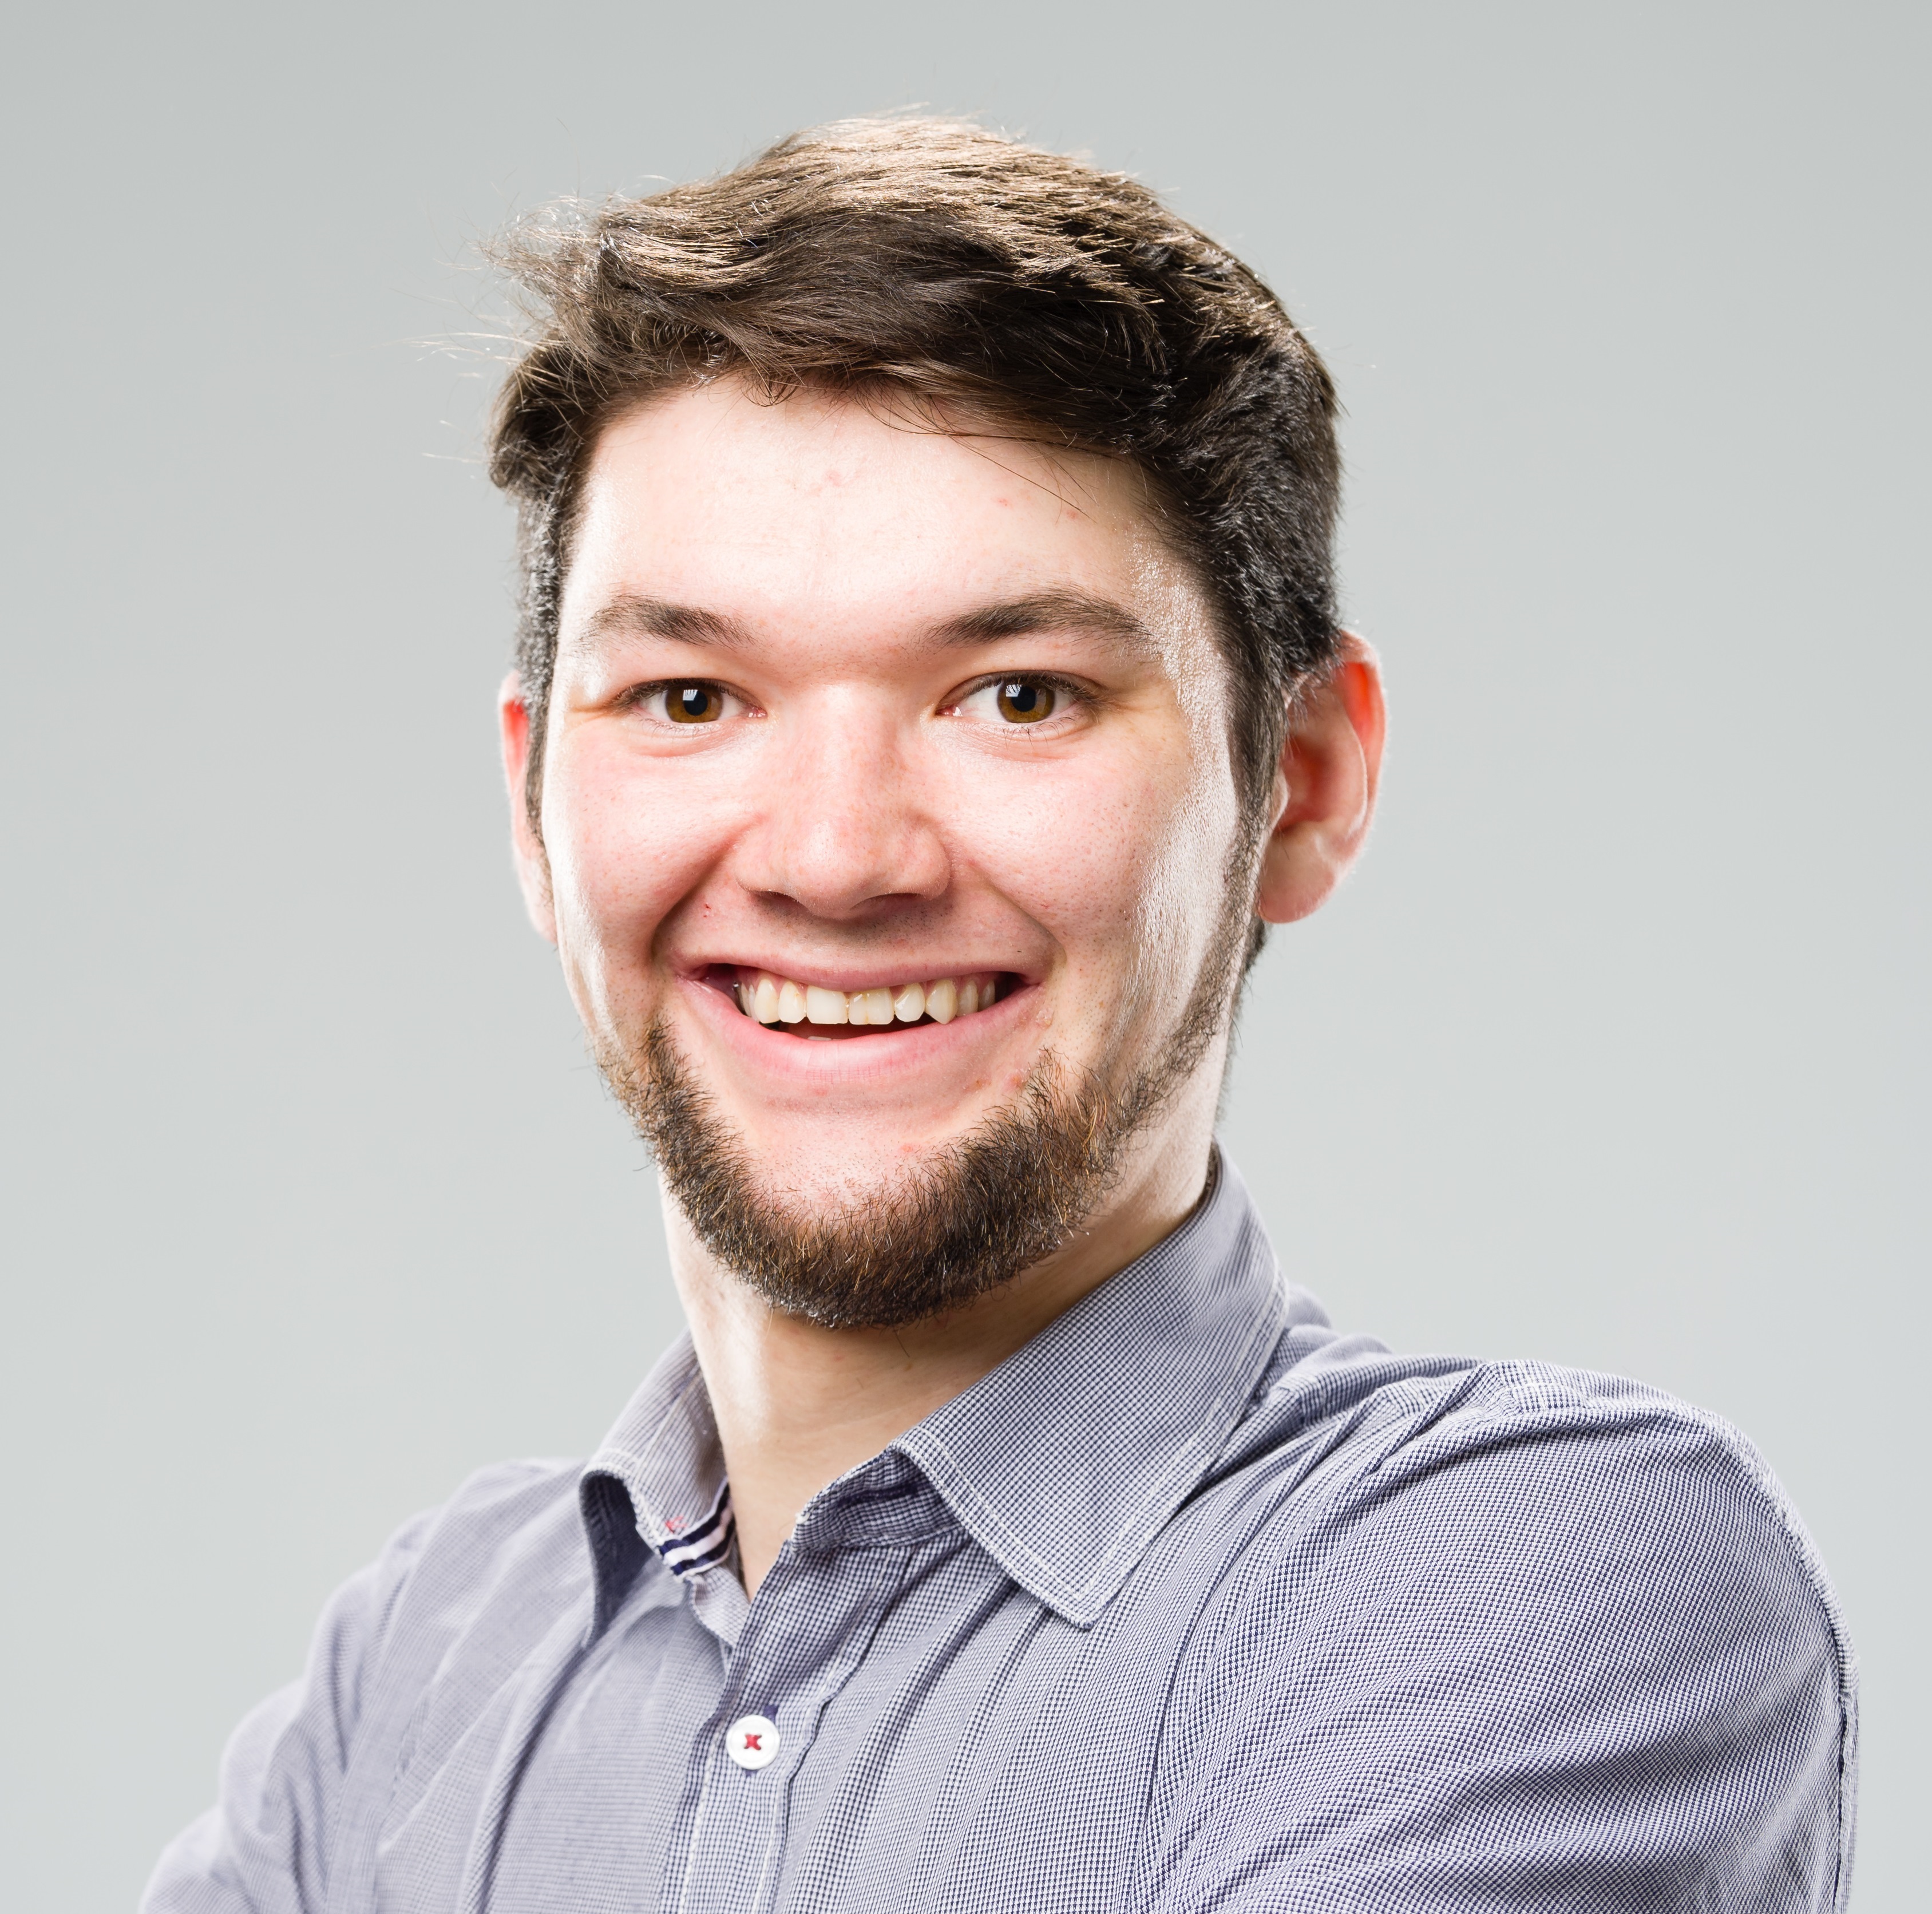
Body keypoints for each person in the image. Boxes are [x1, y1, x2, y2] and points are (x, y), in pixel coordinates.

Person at [144, 118, 1856, 1913]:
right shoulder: (425, 1667)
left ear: (1305, 782)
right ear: (531, 807)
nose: (833, 859)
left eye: (1018, 695)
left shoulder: (1524, 1581)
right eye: (690, 697)